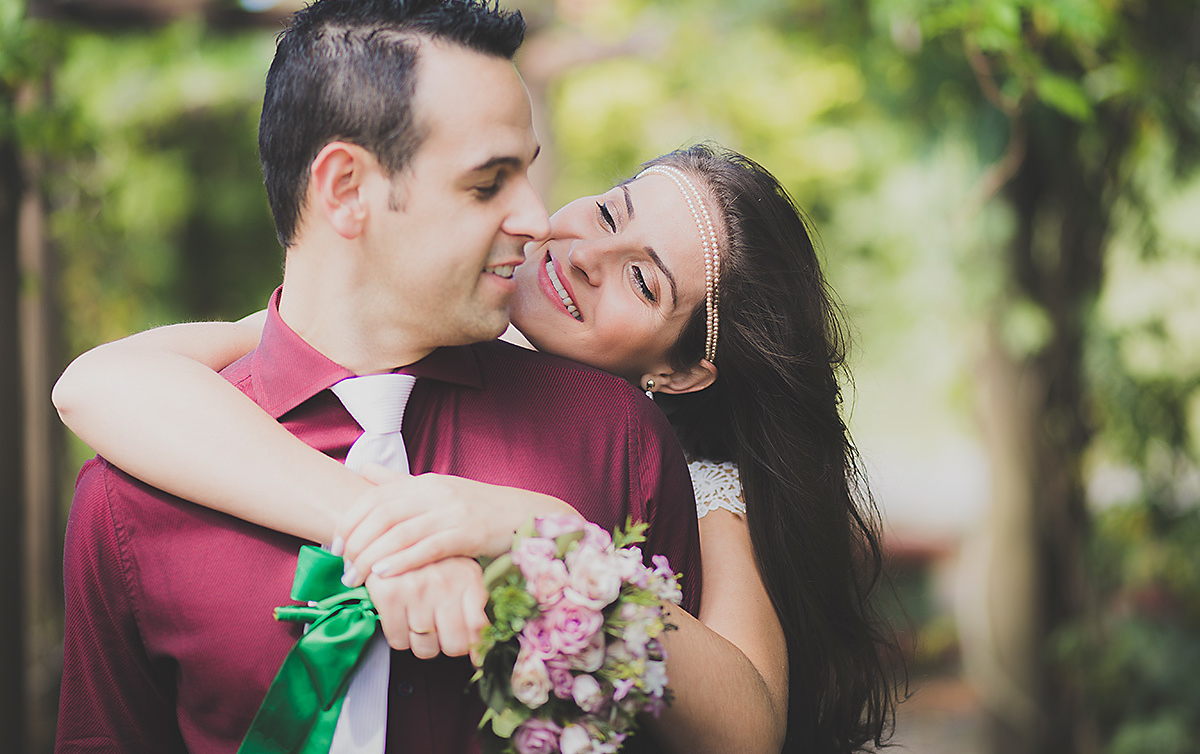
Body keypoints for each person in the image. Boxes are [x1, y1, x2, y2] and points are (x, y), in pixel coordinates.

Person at [56, 142, 900, 750]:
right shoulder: (412, 329)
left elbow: (747, 730)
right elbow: (94, 386)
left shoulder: (687, 478)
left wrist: (551, 535)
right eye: (608, 212)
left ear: (682, 376)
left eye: (644, 279)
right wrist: (384, 525)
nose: (586, 256)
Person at [53, 0, 705, 754]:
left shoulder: (612, 440)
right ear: (346, 188)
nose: (536, 219)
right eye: (488, 183)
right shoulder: (130, 496)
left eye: (527, 173)